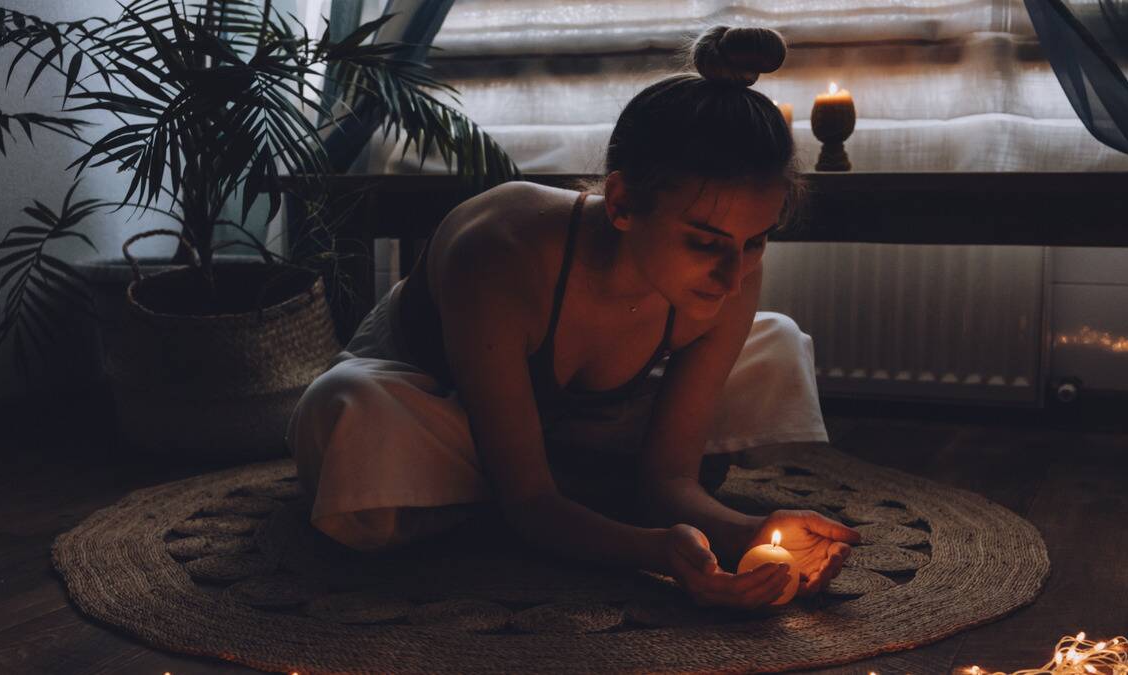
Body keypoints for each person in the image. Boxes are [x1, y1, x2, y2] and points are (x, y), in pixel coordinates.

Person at [287, 25, 860, 611]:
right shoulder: (501, 251)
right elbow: (529, 499)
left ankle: (524, 497)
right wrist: (654, 550)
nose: (734, 274)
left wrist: (749, 533)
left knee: (776, 340)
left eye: (757, 241)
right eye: (705, 243)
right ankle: (584, 485)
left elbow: (667, 482)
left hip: (588, 419)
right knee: (353, 408)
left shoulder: (733, 270)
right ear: (621, 204)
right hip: (443, 410)